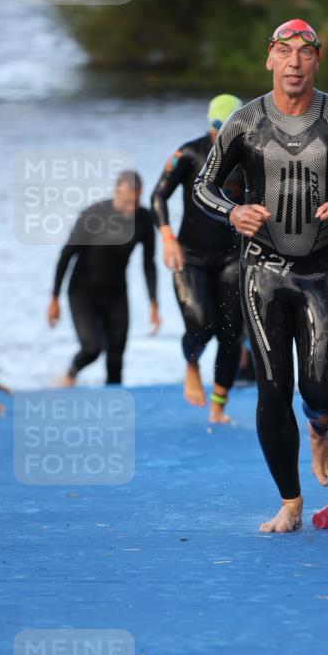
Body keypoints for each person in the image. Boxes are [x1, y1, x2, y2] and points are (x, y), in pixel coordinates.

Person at [193, 19, 328, 532]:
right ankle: (290, 501)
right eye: (284, 52)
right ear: (269, 59)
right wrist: (232, 212)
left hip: (320, 274)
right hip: (260, 272)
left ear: (316, 62)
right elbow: (203, 187)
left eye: (305, 53)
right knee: (272, 388)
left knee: (321, 389)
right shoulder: (243, 123)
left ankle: (321, 427)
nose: (294, 63)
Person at [151, 93, 248, 422]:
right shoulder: (189, 153)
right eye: (217, 128)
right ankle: (191, 363)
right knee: (201, 324)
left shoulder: (251, 157)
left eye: (229, 129)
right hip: (190, 256)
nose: (221, 136)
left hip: (233, 256)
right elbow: (158, 195)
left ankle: (218, 406)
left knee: (232, 332)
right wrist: (167, 238)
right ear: (209, 126)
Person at [47, 170, 160, 385]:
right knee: (92, 348)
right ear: (116, 191)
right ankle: (70, 374)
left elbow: (148, 263)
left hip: (116, 293)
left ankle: (114, 406)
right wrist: (54, 298)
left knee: (116, 357)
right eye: (127, 202)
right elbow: (66, 255)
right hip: (82, 292)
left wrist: (153, 302)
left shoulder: (144, 219)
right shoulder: (93, 216)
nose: (131, 208)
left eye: (135, 202)